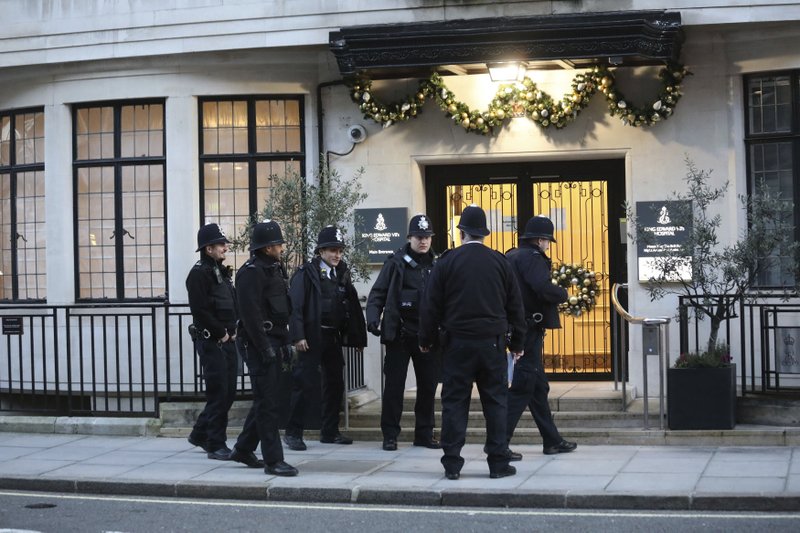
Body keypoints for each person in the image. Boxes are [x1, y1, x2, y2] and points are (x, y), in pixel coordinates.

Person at [418, 205, 526, 480]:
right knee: (496, 402)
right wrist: (517, 344)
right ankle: (498, 462)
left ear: (461, 231)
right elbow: (516, 306)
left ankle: (452, 462)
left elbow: (430, 306)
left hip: (457, 344)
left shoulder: (446, 262)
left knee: (454, 402)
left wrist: (426, 339)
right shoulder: (501, 262)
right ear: (485, 233)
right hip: (492, 343)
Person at [283, 225, 367, 451]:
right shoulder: (305, 273)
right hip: (311, 336)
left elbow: (350, 306)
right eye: (332, 250)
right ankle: (293, 433)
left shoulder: (341, 273)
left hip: (332, 336)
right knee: (304, 385)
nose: (337, 255)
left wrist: (357, 338)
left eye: (339, 250)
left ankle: (329, 432)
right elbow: (296, 306)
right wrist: (298, 335)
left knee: (334, 384)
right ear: (320, 251)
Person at [229, 220, 298, 476]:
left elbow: (282, 307)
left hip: (276, 339)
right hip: (259, 343)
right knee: (268, 403)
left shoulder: (274, 267)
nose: (281, 246)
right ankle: (273, 461)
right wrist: (264, 348)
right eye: (278, 243)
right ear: (268, 247)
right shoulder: (251, 272)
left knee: (270, 400)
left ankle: (244, 448)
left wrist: (286, 340)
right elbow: (250, 315)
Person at [505, 215, 578, 460]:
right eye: (548, 240)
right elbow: (542, 287)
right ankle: (498, 443)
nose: (548, 245)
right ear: (540, 239)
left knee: (538, 388)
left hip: (517, 328)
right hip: (528, 330)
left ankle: (552, 441)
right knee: (523, 386)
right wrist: (563, 294)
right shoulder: (533, 258)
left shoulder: (512, 255)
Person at [366, 214, 441, 451]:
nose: (423, 241)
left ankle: (424, 434)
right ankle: (390, 435)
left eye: (427, 237)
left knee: (428, 387)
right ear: (410, 237)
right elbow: (377, 293)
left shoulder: (437, 264)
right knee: (394, 388)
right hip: (399, 334)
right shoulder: (395, 262)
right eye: (419, 237)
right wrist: (372, 319)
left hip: (426, 336)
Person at [185, 223, 238, 461]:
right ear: (208, 248)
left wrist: (233, 330)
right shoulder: (198, 273)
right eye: (221, 244)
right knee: (219, 393)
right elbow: (201, 311)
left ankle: (199, 434)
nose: (225, 247)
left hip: (226, 340)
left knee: (228, 392)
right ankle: (216, 443)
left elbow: (229, 304)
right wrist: (221, 333)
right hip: (212, 341)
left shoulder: (219, 270)